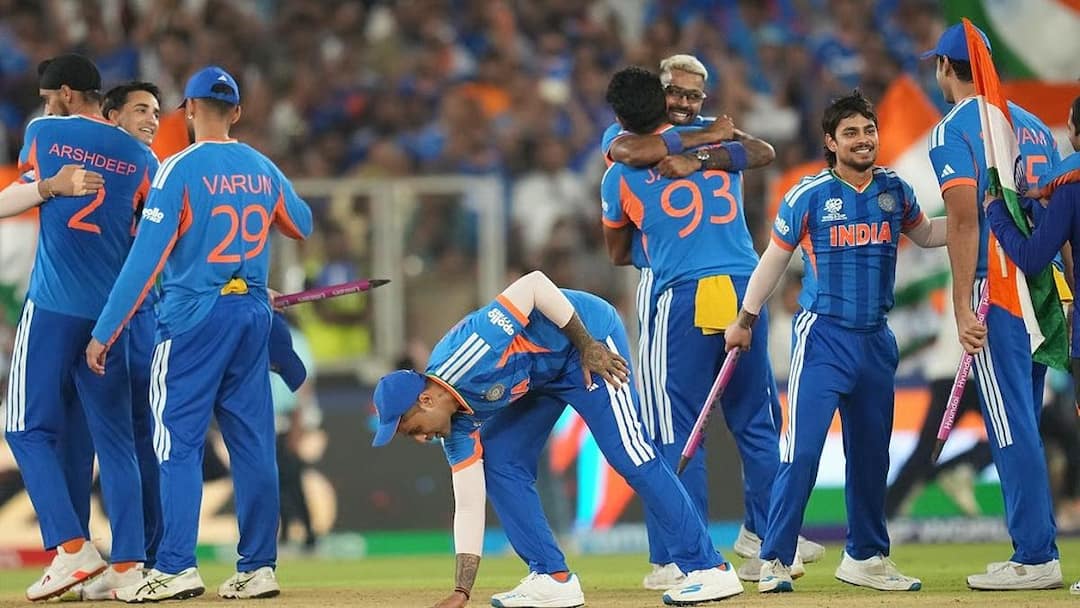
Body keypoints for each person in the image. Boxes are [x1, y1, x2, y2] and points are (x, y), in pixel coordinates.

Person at [371, 270, 745, 608]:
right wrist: (461, 591)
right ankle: (552, 577)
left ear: (426, 400)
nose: (421, 438)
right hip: (541, 376)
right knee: (499, 460)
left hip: (586, 343)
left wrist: (587, 345)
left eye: (413, 429)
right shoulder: (455, 430)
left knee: (630, 453)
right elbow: (468, 506)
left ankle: (709, 568)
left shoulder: (472, 351)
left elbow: (534, 285)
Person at [85, 65, 313, 602]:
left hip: (193, 318)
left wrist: (104, 331)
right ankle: (258, 568)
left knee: (177, 445)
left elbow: (144, 262)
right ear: (237, 112)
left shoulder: (178, 169)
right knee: (253, 445)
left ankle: (175, 567)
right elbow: (300, 223)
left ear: (188, 110)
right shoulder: (261, 166)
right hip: (252, 313)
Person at [599, 56, 820, 587]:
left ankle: (683, 557)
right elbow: (758, 152)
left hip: (683, 292)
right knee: (757, 422)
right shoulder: (721, 147)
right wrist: (712, 146)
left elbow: (618, 252)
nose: (683, 102)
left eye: (693, 95)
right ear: (659, 93)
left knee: (673, 427)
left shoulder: (622, 170)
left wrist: (694, 161)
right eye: (675, 93)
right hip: (745, 285)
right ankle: (773, 545)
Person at [724, 90, 945, 593]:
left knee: (871, 457)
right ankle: (774, 558)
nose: (863, 139)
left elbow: (927, 235)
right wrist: (745, 319)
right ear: (831, 142)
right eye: (851, 133)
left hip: (876, 341)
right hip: (823, 338)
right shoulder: (808, 195)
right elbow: (774, 261)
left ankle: (865, 557)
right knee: (801, 453)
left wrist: (979, 218)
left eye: (869, 130)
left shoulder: (895, 189)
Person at [1, 53, 157, 602]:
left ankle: (71, 549)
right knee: (113, 443)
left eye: (49, 97)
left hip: (51, 307)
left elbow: (10, 202)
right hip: (110, 320)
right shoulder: (142, 158)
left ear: (66, 94)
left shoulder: (45, 131)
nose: (45, 106)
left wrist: (50, 187)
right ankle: (129, 566)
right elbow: (153, 234)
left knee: (24, 429)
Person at [925, 23, 1063, 590]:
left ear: (944, 67)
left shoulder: (953, 129)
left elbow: (964, 221)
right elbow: (1057, 210)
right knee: (1026, 422)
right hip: (1045, 288)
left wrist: (962, 306)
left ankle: (1034, 557)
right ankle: (1038, 548)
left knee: (1009, 426)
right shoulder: (1033, 125)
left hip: (997, 289)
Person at [982, 96, 1080, 594]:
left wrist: (997, 213)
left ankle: (1035, 556)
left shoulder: (1070, 182)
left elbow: (1034, 255)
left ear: (1074, 130)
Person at [269, 311, 319, 550]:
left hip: (289, 419)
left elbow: (303, 383)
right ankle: (287, 531)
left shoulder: (295, 339)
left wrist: (299, 425)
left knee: (290, 478)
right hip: (267, 419)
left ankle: (307, 532)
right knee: (275, 479)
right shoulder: (260, 333)